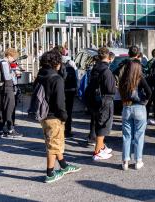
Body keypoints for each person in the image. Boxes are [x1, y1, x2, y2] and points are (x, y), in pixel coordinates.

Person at [36, 50, 81, 183]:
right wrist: (64, 116)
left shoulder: (40, 75)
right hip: (54, 116)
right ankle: (50, 174)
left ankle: (64, 166)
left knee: (53, 142)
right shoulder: (57, 79)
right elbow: (60, 102)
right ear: (56, 63)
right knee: (53, 145)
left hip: (43, 115)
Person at [119, 60, 152, 170]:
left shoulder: (123, 78)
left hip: (126, 107)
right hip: (139, 108)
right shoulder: (140, 78)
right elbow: (149, 92)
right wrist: (144, 101)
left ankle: (125, 162)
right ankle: (138, 161)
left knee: (126, 136)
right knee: (139, 135)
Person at [86, 47, 117, 161]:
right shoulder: (106, 71)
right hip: (105, 100)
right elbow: (110, 89)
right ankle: (97, 152)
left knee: (98, 122)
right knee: (103, 125)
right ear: (108, 56)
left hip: (94, 99)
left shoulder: (95, 67)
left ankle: (101, 147)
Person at [0, 48, 22, 138]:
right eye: (14, 57)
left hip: (4, 87)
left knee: (3, 108)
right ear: (9, 55)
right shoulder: (4, 63)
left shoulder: (1, 62)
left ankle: (0, 130)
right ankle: (10, 129)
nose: (14, 60)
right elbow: (7, 77)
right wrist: (15, 72)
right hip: (7, 87)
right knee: (9, 109)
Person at [62, 55, 78, 138]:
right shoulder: (71, 68)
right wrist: (76, 90)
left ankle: (62, 130)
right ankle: (67, 130)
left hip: (63, 92)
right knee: (69, 112)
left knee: (62, 111)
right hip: (71, 92)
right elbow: (76, 80)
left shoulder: (59, 69)